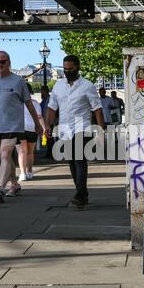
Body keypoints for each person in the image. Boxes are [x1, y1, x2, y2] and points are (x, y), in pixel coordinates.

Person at [0, 51, 43, 203]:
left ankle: (0, 187)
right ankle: (15, 184)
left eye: (2, 62)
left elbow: (29, 104)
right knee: (4, 157)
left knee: (5, 154)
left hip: (13, 125)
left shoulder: (18, 81)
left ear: (9, 62)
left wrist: (37, 124)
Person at [45, 55, 105, 208]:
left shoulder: (87, 86)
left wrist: (101, 129)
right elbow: (52, 107)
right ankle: (82, 194)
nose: (67, 72)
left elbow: (97, 108)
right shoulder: (58, 86)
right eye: (65, 69)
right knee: (71, 161)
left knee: (79, 159)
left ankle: (79, 194)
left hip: (82, 127)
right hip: (65, 128)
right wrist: (47, 125)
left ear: (77, 67)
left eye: (70, 69)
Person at [16, 84, 46, 181]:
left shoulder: (16, 103)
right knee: (30, 152)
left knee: (22, 151)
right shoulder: (35, 103)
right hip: (32, 129)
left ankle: (22, 173)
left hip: (20, 129)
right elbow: (39, 117)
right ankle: (29, 171)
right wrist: (44, 128)